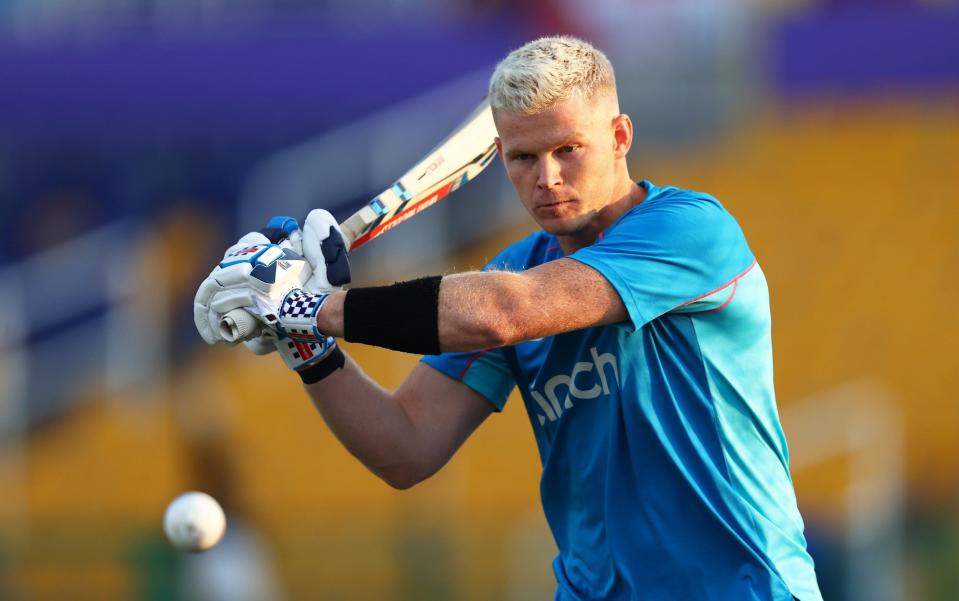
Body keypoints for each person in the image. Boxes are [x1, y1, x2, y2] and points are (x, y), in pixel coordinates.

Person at [195, 36, 822, 601]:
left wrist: (309, 305)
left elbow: (503, 313)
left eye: (568, 149)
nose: (547, 178)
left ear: (620, 137)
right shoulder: (515, 268)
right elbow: (404, 448)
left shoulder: (689, 231)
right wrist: (302, 342)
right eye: (523, 158)